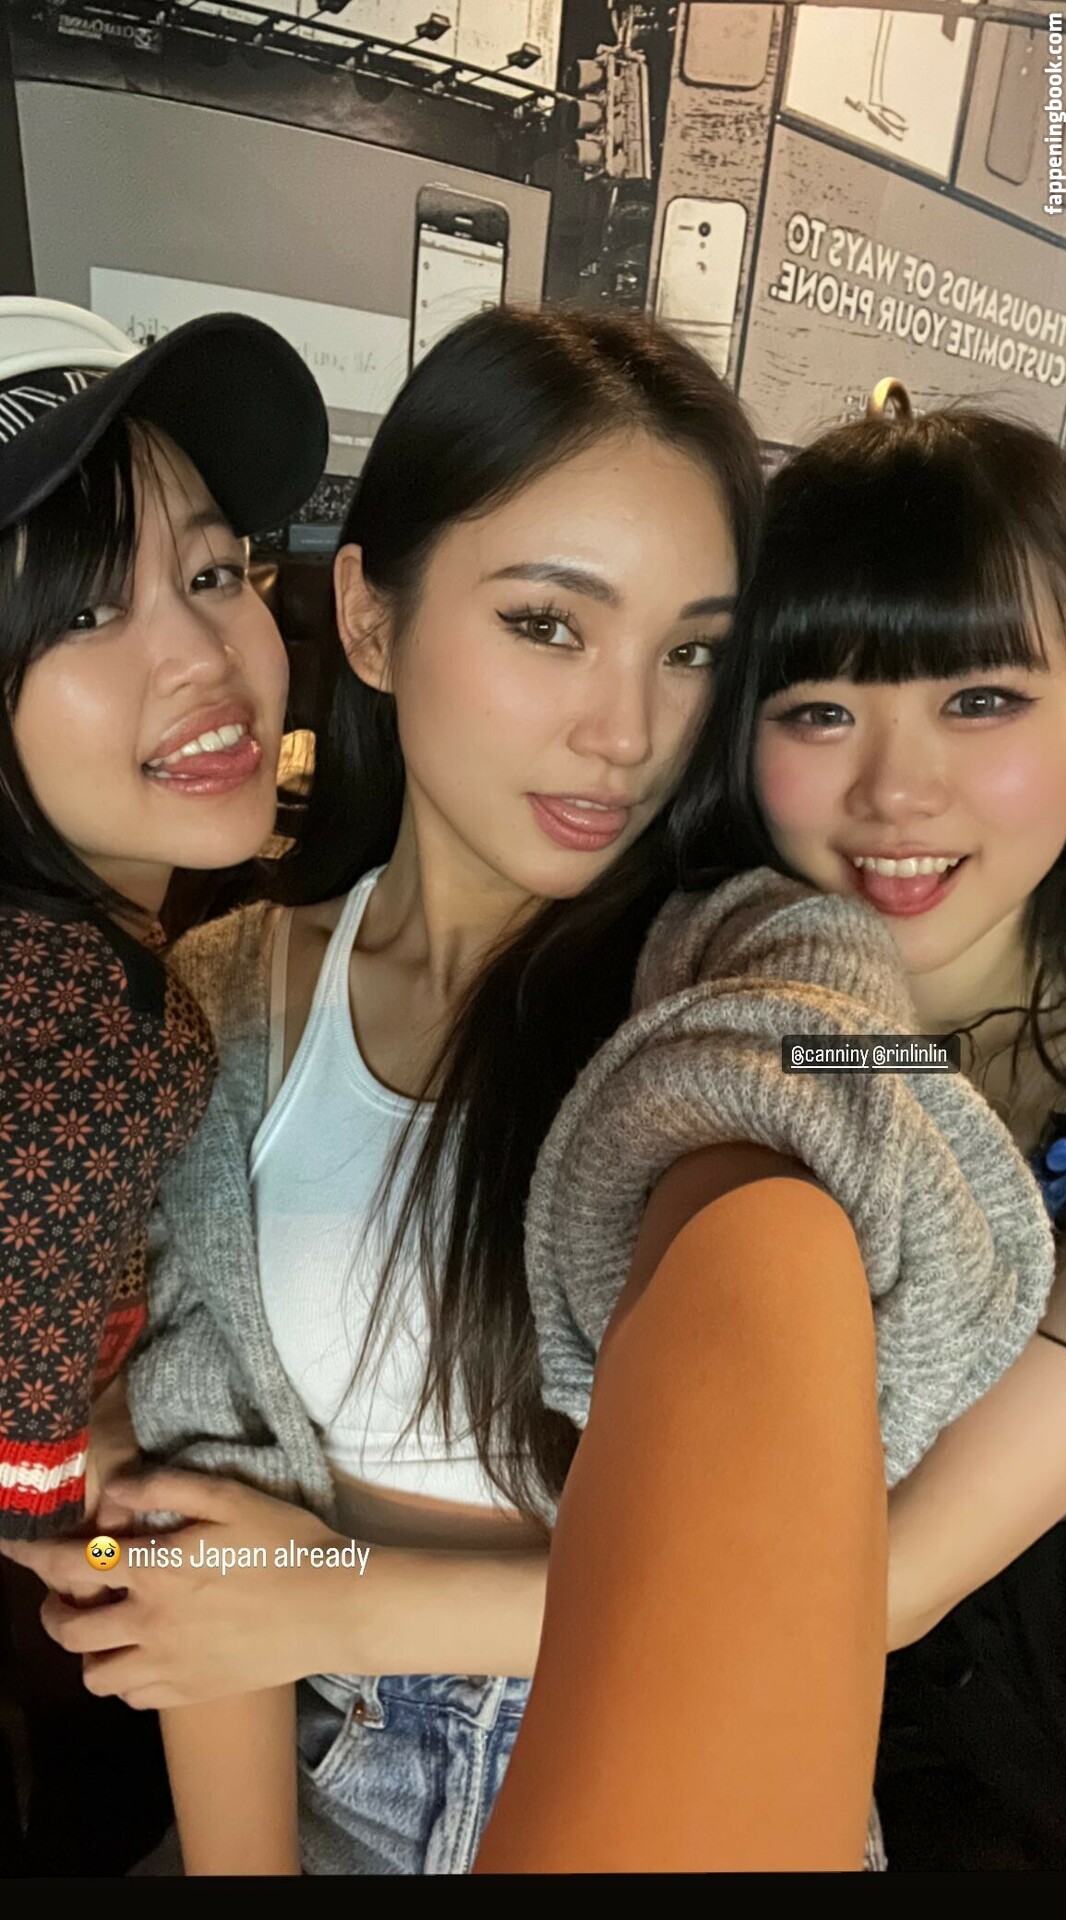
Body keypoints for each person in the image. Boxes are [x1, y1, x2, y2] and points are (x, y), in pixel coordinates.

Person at [1, 306, 765, 1875]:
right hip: (328, 1782)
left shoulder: (742, 1007)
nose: (629, 732)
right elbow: (196, 1543)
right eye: (548, 623)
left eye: (691, 648)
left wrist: (321, 1588)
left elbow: (808, 1582)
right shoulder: (211, 1005)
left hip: (685, 1784)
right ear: (365, 616)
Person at [475, 391, 1066, 1870]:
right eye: (818, 710)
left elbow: (880, 1584)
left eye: (982, 700)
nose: (896, 791)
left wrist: (305, 1601)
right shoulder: (715, 1012)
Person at [0, 296, 327, 1868]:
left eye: (209, 573)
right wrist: (64, 1509)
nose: (203, 656)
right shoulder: (108, 1020)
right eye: (80, 611)